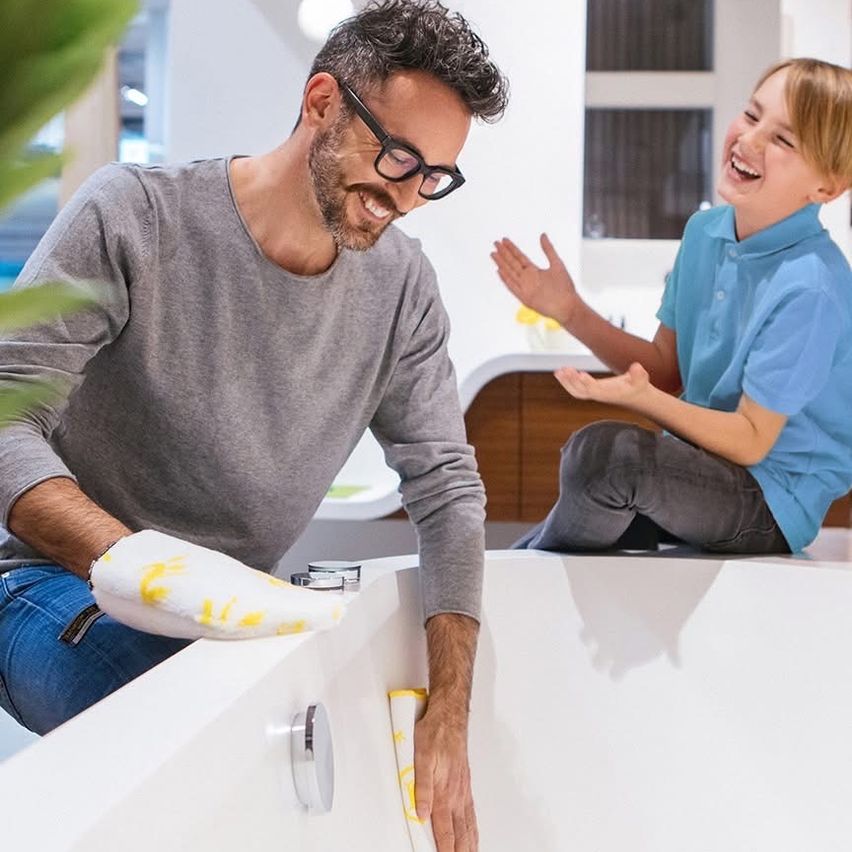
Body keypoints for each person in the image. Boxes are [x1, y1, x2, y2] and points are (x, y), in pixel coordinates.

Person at [0, 1, 508, 847]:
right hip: (50, 584)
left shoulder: (403, 288)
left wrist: (450, 715)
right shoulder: (136, 215)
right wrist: (145, 565)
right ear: (320, 104)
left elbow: (448, 491)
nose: (406, 197)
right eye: (398, 156)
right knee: (214, 733)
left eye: (433, 176)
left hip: (232, 617)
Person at [492, 58, 852, 557]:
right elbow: (664, 370)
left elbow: (751, 441)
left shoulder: (811, 286)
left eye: (783, 140)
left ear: (826, 188)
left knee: (605, 460)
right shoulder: (705, 234)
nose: (749, 141)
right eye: (751, 116)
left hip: (769, 499)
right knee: (592, 475)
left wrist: (644, 401)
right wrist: (569, 310)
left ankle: (518, 595)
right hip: (699, 470)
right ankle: (512, 597)